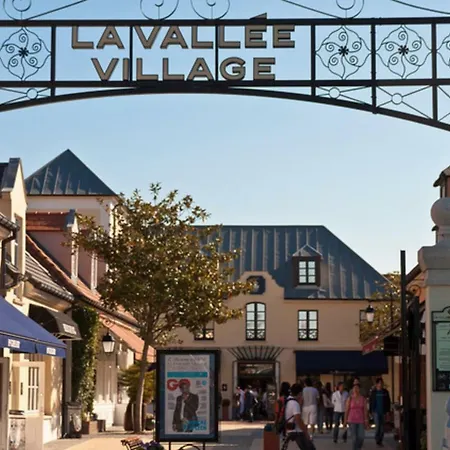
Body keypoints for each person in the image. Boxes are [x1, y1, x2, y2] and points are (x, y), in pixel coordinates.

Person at [281, 383, 315, 450]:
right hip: (297, 431)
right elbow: (298, 419)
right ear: (299, 393)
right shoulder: (294, 404)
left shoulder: (288, 400)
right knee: (310, 448)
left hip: (289, 429)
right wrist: (306, 432)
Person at [344, 383, 369, 450]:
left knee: (361, 437)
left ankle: (358, 447)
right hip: (352, 420)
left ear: (359, 389)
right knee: (354, 438)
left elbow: (365, 410)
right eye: (354, 388)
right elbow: (346, 410)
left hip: (361, 420)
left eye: (357, 388)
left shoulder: (363, 399)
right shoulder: (350, 398)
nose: (355, 389)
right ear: (352, 389)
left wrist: (366, 420)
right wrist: (345, 421)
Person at [369, 378, 391, 447]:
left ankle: (380, 440)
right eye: (379, 383)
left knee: (382, 428)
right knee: (378, 426)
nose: (380, 384)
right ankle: (377, 439)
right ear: (376, 384)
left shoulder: (385, 392)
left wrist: (388, 411)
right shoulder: (374, 392)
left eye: (381, 383)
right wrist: (370, 411)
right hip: (376, 412)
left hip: (383, 412)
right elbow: (371, 402)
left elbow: (388, 402)